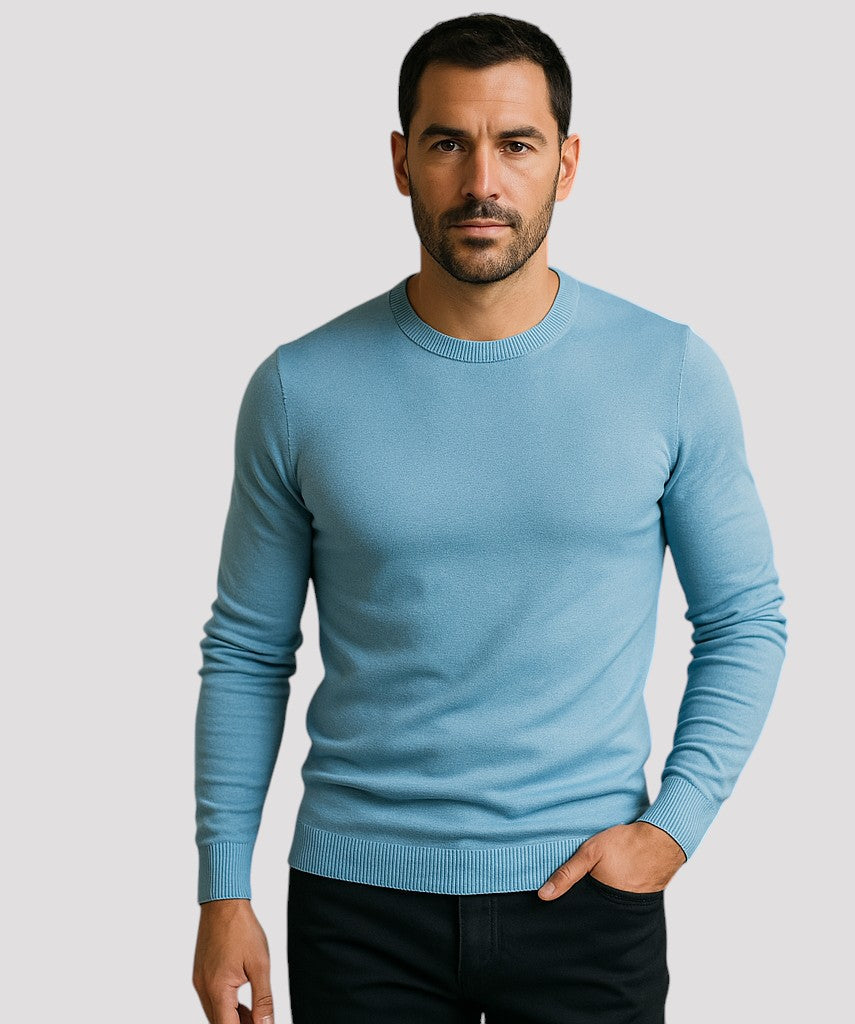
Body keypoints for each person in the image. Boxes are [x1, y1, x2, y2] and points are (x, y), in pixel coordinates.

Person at [191, 13, 787, 1024]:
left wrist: (672, 829)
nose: (482, 182)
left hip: (589, 896)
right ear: (400, 162)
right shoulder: (300, 388)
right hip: (358, 904)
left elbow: (745, 619)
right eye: (447, 143)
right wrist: (223, 889)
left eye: (516, 144)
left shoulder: (669, 372)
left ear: (567, 163)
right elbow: (248, 651)